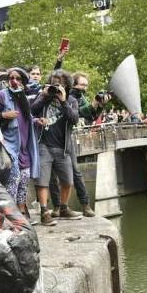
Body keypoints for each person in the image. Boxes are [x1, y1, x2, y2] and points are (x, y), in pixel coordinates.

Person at [0, 68, 40, 220]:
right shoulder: (1, 96)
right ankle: (9, 217)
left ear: (23, 82)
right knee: (13, 181)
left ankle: (20, 215)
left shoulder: (23, 98)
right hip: (8, 147)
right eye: (11, 78)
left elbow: (24, 120)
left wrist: (36, 121)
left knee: (24, 180)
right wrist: (2, 115)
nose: (14, 81)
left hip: (24, 147)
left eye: (18, 78)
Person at [51, 71, 109, 217]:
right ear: (74, 84)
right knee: (53, 176)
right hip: (53, 138)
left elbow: (91, 116)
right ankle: (58, 207)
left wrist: (100, 104)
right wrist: (93, 104)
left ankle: (85, 205)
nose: (85, 88)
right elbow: (76, 113)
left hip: (67, 139)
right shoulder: (65, 95)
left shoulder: (80, 97)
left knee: (76, 173)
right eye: (82, 84)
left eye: (86, 85)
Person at [31, 69, 83, 226]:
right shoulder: (43, 97)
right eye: (53, 83)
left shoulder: (72, 100)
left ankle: (63, 208)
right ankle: (44, 212)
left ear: (66, 85)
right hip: (44, 144)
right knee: (43, 181)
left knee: (68, 180)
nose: (56, 87)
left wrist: (63, 101)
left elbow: (74, 119)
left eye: (59, 84)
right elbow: (32, 110)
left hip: (63, 146)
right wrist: (45, 97)